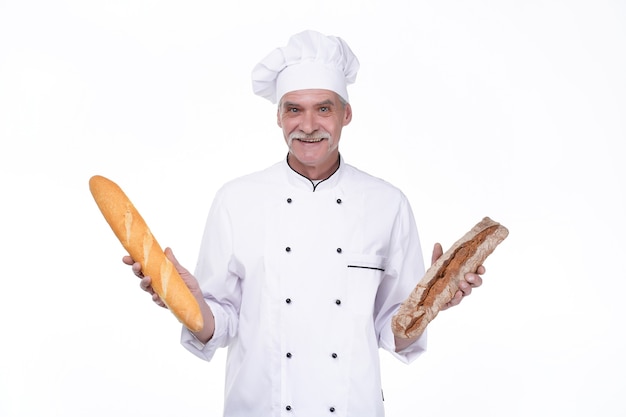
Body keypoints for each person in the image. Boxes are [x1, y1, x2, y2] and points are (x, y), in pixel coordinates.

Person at [124, 30, 485, 416]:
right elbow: (219, 325)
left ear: (346, 113)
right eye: (294, 109)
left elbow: (392, 329)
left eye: (323, 109)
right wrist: (189, 303)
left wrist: (432, 302)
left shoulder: (388, 204)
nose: (308, 124)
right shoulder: (236, 200)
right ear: (278, 115)